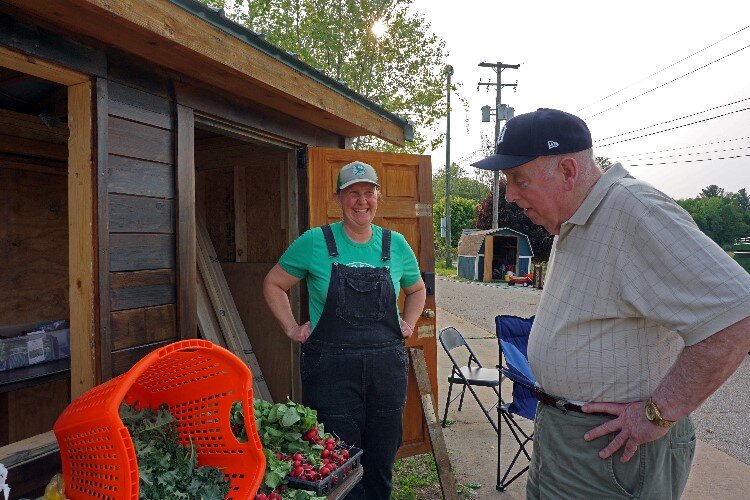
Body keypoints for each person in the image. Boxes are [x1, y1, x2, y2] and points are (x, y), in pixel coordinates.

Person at [472, 108, 750, 499]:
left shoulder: (635, 210)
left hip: (611, 450)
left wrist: (658, 412)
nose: (511, 194)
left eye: (519, 179)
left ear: (568, 171)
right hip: (565, 434)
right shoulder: (574, 218)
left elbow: (737, 313)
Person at [263, 160, 427, 499]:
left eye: (369, 193)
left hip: (386, 368)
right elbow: (274, 284)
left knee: (382, 455)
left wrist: (409, 322)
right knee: (340, 460)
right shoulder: (314, 242)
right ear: (339, 199)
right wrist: (292, 328)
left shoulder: (394, 244)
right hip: (332, 370)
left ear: (377, 198)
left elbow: (417, 289)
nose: (361, 201)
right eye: (353, 193)